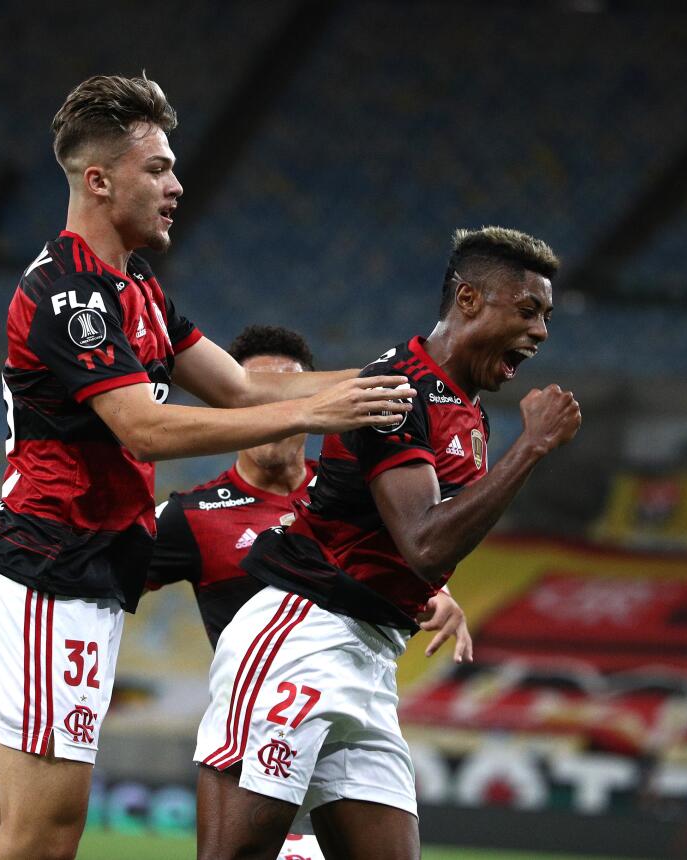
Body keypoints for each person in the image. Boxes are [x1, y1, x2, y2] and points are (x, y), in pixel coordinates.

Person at [0, 74, 413, 860]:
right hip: (47, 570)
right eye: (157, 168)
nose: (175, 185)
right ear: (98, 180)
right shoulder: (70, 294)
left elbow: (240, 386)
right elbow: (142, 428)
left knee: (4, 833)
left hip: (75, 576)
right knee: (43, 835)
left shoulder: (136, 289)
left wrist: (403, 378)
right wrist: (312, 413)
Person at [193, 226, 582, 859]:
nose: (540, 331)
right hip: (304, 635)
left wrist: (435, 593)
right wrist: (532, 447)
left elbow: (417, 551)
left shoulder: (470, 411)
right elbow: (424, 542)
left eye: (546, 316)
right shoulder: (394, 388)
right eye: (528, 309)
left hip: (373, 655)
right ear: (469, 301)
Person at [146, 324, 472, 860]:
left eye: (292, 393)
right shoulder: (192, 515)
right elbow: (108, 575)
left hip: (349, 705)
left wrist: (441, 593)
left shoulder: (352, 491)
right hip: (267, 725)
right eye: (261, 394)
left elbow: (407, 552)